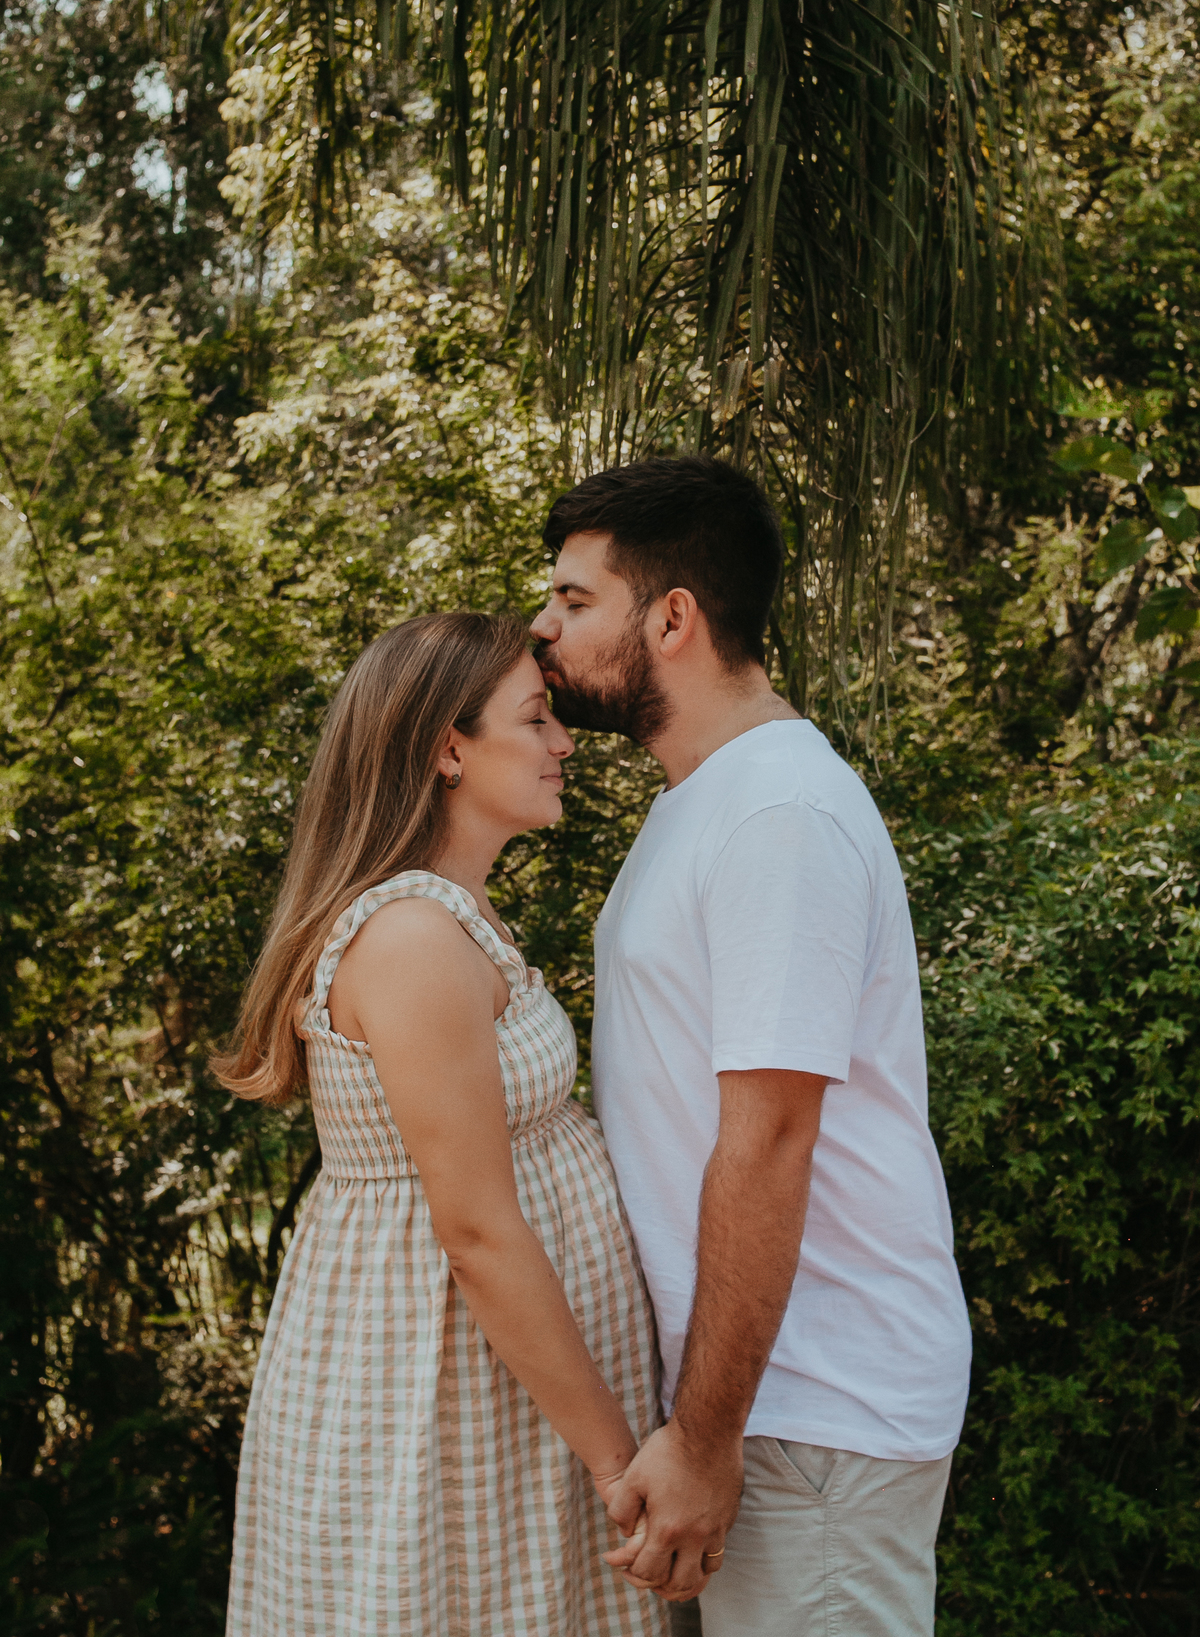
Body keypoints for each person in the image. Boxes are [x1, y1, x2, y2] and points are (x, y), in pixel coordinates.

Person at [530, 458, 972, 1636]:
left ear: (672, 618)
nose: (544, 626)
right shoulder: (709, 801)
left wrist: (712, 1438)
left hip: (810, 1416)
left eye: (576, 601)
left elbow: (770, 1139)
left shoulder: (779, 815)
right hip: (752, 1409)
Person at [217, 612, 669, 1637]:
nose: (564, 744)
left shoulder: (456, 914)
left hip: (508, 1393)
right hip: (445, 1394)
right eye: (537, 718)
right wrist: (617, 1460)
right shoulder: (412, 940)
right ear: (447, 748)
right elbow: (473, 1230)